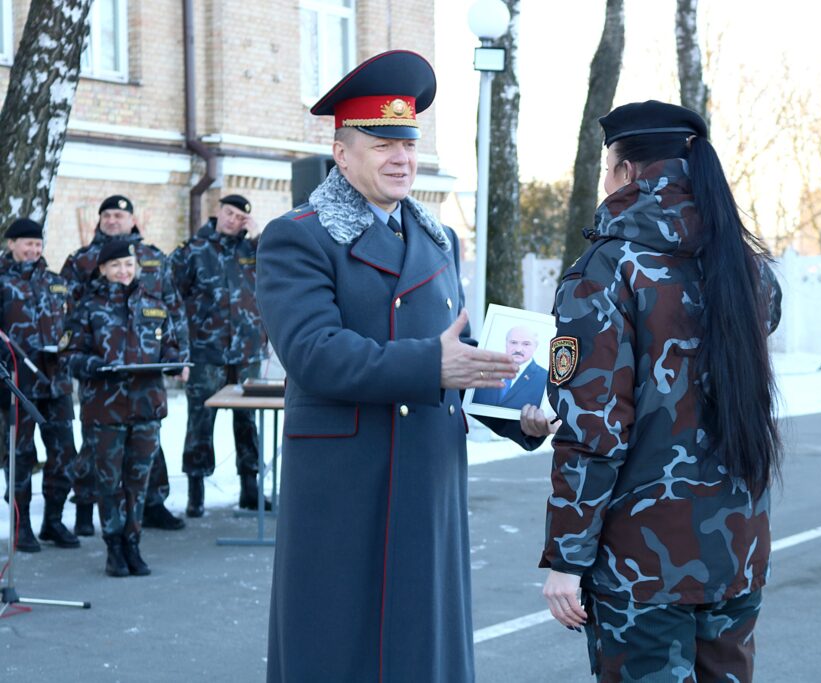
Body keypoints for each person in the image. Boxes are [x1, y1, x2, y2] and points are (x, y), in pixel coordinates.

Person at [256, 50, 544, 682]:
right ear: (341, 152)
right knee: (337, 646)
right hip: (346, 483)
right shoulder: (297, 236)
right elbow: (312, 351)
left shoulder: (439, 240)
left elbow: (457, 356)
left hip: (426, 475)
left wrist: (516, 409)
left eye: (408, 145)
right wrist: (431, 365)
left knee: (421, 647)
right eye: (382, 143)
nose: (402, 159)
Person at [536, 101, 783, 682]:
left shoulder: (607, 269)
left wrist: (565, 561)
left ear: (627, 173)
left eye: (606, 169)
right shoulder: (745, 266)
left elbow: (593, 431)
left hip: (642, 563)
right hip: (736, 552)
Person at [61, 195, 187, 532]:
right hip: (104, 394)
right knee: (98, 455)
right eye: (107, 215)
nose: (113, 220)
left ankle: (151, 508)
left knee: (145, 455)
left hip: (145, 390)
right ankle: (90, 512)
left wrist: (179, 357)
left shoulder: (154, 259)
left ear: (133, 219)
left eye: (120, 215)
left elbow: (172, 311)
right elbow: (68, 319)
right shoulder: (82, 261)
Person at [169, 194, 269, 517]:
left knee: (248, 419)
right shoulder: (194, 250)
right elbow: (171, 293)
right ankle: (196, 490)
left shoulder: (252, 251)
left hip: (246, 351)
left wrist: (257, 234)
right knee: (200, 418)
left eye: (241, 217)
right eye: (229, 213)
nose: (234, 220)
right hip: (206, 350)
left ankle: (250, 487)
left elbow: (281, 268)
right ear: (218, 212)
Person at [0, 218, 79, 552]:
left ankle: (54, 521)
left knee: (65, 454)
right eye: (26, 244)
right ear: (11, 245)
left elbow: (74, 324)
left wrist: (67, 344)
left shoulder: (55, 282)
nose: (33, 250)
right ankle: (22, 528)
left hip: (55, 382)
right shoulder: (3, 282)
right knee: (20, 456)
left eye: (37, 244)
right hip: (18, 385)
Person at [473, 326, 547, 410]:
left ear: (535, 347)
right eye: (513, 342)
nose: (518, 349)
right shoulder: (484, 370)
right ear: (506, 343)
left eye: (526, 344)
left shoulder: (545, 379)